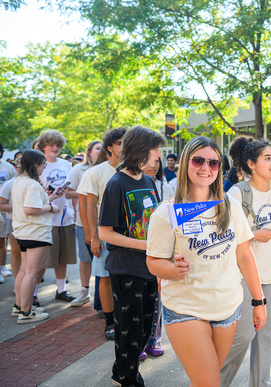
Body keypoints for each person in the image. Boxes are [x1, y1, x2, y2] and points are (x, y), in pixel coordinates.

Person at [147, 136, 267, 386]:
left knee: (208, 380)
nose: (205, 168)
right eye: (198, 160)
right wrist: (172, 268)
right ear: (185, 163)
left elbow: (244, 255)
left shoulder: (229, 205)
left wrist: (259, 301)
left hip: (228, 309)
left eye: (213, 163)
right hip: (186, 310)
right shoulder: (166, 212)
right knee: (209, 383)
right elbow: (153, 262)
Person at [220, 136, 271, 387]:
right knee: (242, 336)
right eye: (268, 158)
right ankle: (215, 381)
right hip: (243, 278)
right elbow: (224, 235)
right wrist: (254, 235)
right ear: (251, 164)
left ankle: (262, 383)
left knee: (265, 335)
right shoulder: (237, 192)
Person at [98, 125, 165, 386]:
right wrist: (144, 245)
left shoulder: (149, 182)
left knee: (146, 330)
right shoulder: (116, 184)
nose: (158, 155)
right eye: (155, 149)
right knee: (129, 330)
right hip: (125, 269)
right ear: (140, 150)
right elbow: (105, 233)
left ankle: (121, 372)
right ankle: (127, 379)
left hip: (149, 266)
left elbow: (155, 222)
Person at [77, 128, 126, 338]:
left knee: (125, 277)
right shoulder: (95, 172)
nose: (123, 147)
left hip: (129, 233)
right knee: (104, 276)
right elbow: (88, 206)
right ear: (109, 147)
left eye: (126, 142)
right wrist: (92, 236)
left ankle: (124, 318)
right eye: (119, 143)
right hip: (104, 232)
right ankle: (109, 322)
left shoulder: (132, 171)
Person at [12, 150, 63, 323]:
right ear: (35, 164)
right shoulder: (32, 184)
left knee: (24, 271)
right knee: (32, 273)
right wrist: (51, 208)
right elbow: (30, 209)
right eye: (43, 164)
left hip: (23, 231)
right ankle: (26, 312)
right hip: (36, 232)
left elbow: (31, 204)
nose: (44, 168)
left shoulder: (20, 181)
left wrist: (51, 197)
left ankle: (20, 306)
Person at [36, 129, 77, 303]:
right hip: (46, 218)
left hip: (65, 216)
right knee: (42, 260)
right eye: (51, 145)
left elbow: (71, 190)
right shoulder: (38, 164)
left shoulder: (66, 164)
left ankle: (61, 290)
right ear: (44, 146)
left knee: (63, 257)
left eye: (58, 145)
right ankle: (32, 294)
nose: (55, 148)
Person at [139, 157, 173, 360]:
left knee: (157, 298)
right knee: (141, 299)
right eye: (148, 160)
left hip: (161, 249)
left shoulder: (164, 187)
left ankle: (154, 339)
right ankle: (140, 342)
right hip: (138, 249)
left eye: (156, 161)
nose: (154, 164)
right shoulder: (130, 184)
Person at [65, 140, 102, 307]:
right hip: (83, 222)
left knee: (102, 262)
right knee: (85, 258)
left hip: (103, 223)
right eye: (97, 148)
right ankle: (84, 291)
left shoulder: (107, 169)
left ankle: (101, 296)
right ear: (89, 151)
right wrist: (86, 193)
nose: (100, 151)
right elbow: (67, 193)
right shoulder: (78, 169)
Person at [0, 157, 22, 289]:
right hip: (13, 220)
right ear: (15, 168)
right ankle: (18, 283)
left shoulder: (34, 182)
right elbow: (1, 204)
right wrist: (22, 208)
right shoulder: (10, 184)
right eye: (20, 167)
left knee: (26, 254)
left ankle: (24, 283)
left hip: (30, 224)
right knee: (16, 252)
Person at [0, 142, 18, 283]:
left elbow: (14, 183)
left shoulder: (7, 168)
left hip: (5, 211)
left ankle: (1, 267)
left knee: (2, 241)